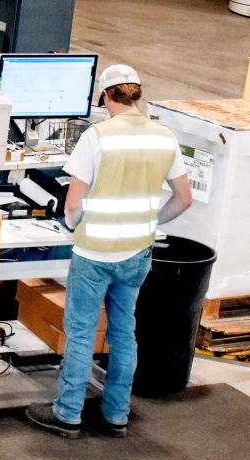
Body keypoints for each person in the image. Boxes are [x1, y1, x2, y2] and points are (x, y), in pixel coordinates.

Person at [25, 64, 192, 440]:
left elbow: (73, 204)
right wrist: (151, 222)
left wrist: (71, 226)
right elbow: (184, 198)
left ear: (104, 97)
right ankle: (116, 414)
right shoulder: (164, 137)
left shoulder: (96, 137)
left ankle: (68, 414)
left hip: (95, 253)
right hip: (137, 253)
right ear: (138, 95)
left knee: (82, 333)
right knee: (124, 331)